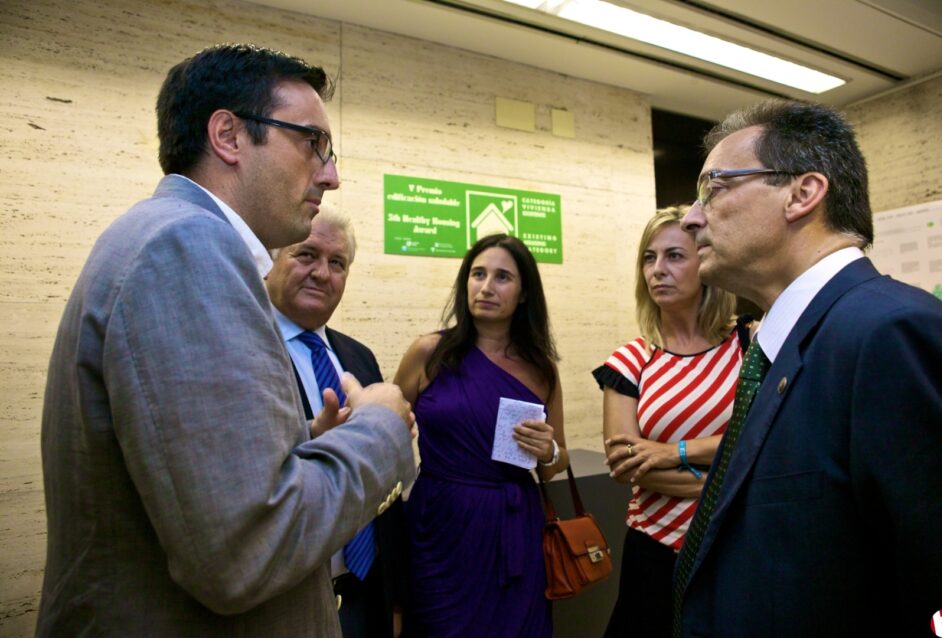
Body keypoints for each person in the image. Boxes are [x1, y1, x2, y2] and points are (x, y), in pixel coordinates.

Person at [37, 44, 416, 637]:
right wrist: (379, 428)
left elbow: (217, 494)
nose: (331, 175)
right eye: (312, 143)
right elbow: (244, 553)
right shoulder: (185, 248)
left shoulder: (175, 242)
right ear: (229, 136)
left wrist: (306, 446)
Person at [673, 99, 942, 637]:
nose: (690, 217)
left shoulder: (890, 335)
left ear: (802, 193)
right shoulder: (786, 344)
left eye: (714, 187)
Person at [394, 233, 567, 637]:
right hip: (440, 524)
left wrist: (549, 450)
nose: (486, 287)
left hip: (513, 529)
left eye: (503, 277)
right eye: (478, 274)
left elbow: (555, 466)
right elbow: (384, 432)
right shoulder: (428, 353)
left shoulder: (541, 369)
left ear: (524, 294)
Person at [592, 205, 743, 638]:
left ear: (705, 261)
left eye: (675, 256)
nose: (658, 269)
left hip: (732, 540)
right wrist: (726, 476)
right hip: (654, 546)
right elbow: (624, 464)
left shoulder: (750, 344)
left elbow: (768, 440)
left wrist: (672, 452)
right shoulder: (631, 360)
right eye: (649, 257)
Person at [266, 207, 409, 637]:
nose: (322, 274)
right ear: (269, 260)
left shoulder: (359, 357)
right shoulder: (250, 349)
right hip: (288, 601)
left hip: (368, 593)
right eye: (306, 255)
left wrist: (397, 597)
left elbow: (388, 490)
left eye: (337, 263)